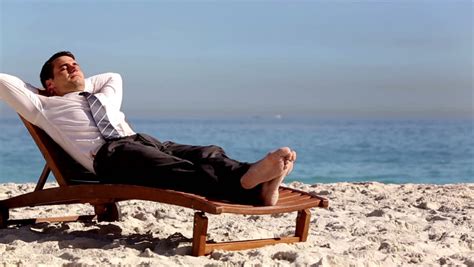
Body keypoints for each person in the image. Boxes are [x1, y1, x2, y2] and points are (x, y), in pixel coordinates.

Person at [0, 51, 296, 205]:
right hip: (110, 155)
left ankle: (255, 182)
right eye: (64, 67)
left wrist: (77, 86)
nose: (74, 68)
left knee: (207, 152)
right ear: (49, 84)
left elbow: (112, 76)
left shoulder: (102, 94)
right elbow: (5, 82)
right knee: (174, 168)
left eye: (76, 63)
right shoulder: (44, 107)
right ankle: (246, 184)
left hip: (139, 139)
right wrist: (44, 93)